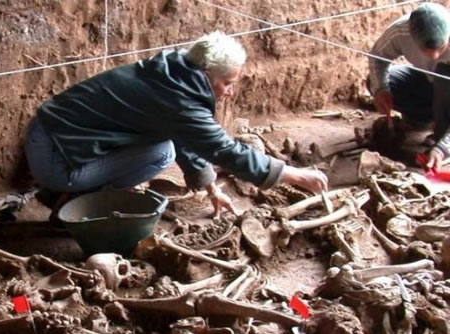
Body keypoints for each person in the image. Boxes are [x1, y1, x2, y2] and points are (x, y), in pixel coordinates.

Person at [24, 31, 327, 218]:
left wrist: (211, 189)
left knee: (166, 145)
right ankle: (82, 200)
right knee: (162, 153)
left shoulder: (172, 72)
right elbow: (224, 150)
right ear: (207, 74)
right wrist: (295, 175)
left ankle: (75, 194)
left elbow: (185, 134)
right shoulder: (180, 99)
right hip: (56, 160)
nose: (230, 92)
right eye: (227, 83)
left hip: (52, 139)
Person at [368, 2, 450, 169]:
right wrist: (381, 89)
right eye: (425, 50)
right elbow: (377, 56)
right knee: (376, 82)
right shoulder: (401, 31)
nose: (434, 57)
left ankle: (441, 137)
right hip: (426, 81)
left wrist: (444, 148)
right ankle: (422, 119)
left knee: (443, 73)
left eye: (441, 48)